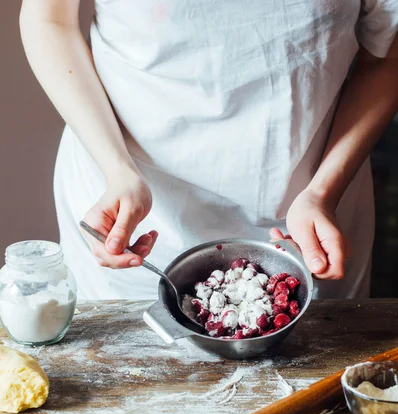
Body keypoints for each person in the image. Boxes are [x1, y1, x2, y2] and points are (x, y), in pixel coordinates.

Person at [20, 1, 398, 301]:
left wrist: (322, 193)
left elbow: (386, 56)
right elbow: (49, 21)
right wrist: (116, 169)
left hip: (311, 209)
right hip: (127, 198)